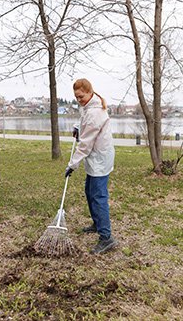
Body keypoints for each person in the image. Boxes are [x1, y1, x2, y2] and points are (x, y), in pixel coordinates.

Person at [66, 79, 117, 254]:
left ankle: (106, 237)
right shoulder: (89, 105)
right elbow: (83, 119)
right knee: (89, 191)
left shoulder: (95, 113)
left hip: (99, 159)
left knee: (98, 196)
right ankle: (97, 223)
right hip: (95, 157)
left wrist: (72, 164)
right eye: (76, 97)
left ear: (89, 92)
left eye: (81, 96)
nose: (79, 100)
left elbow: (85, 144)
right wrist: (76, 127)